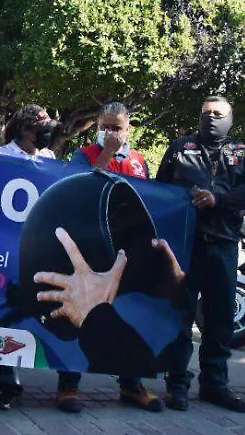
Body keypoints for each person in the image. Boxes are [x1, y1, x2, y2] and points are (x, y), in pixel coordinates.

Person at [58, 102, 163, 413]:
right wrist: (107, 154)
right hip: (90, 247)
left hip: (127, 248)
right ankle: (68, 386)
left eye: (116, 127)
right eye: (104, 126)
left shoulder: (139, 162)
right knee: (81, 312)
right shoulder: (84, 154)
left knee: (132, 313)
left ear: (128, 129)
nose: (109, 132)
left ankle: (131, 384)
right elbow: (82, 189)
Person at [155, 97, 245, 413]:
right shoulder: (179, 148)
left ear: (230, 119)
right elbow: (160, 189)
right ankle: (177, 385)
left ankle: (215, 385)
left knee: (220, 318)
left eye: (218, 113)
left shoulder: (243, 153)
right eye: (206, 113)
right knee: (180, 315)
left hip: (224, 244)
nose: (211, 118)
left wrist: (218, 198)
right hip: (187, 245)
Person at [0, 104, 58, 411]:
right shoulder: (2, 157)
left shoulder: (50, 158)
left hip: (35, 248)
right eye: (42, 126)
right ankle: (5, 377)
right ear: (26, 129)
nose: (48, 131)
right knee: (5, 309)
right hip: (3, 245)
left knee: (21, 310)